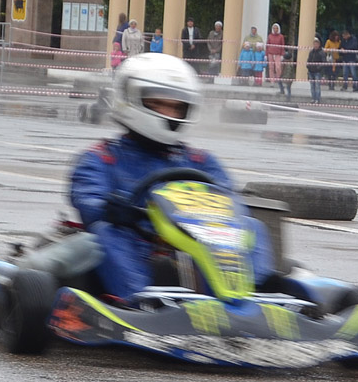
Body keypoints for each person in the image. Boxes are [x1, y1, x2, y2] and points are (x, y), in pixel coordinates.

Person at [50, 53, 274, 301]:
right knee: (106, 231)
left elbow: (231, 205)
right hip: (136, 248)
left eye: (177, 107)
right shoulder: (101, 158)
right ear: (129, 98)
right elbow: (89, 203)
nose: (169, 112)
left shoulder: (201, 161)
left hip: (198, 248)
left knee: (253, 227)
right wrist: (113, 210)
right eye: (158, 103)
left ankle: (251, 296)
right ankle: (141, 302)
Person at [265, 23, 286, 93]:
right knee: (271, 67)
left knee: (278, 67)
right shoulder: (270, 36)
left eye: (276, 28)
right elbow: (267, 45)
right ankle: (272, 81)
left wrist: (282, 55)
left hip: (278, 54)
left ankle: (278, 80)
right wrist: (266, 54)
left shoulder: (281, 36)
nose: (275, 30)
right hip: (270, 53)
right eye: (274, 28)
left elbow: (282, 45)